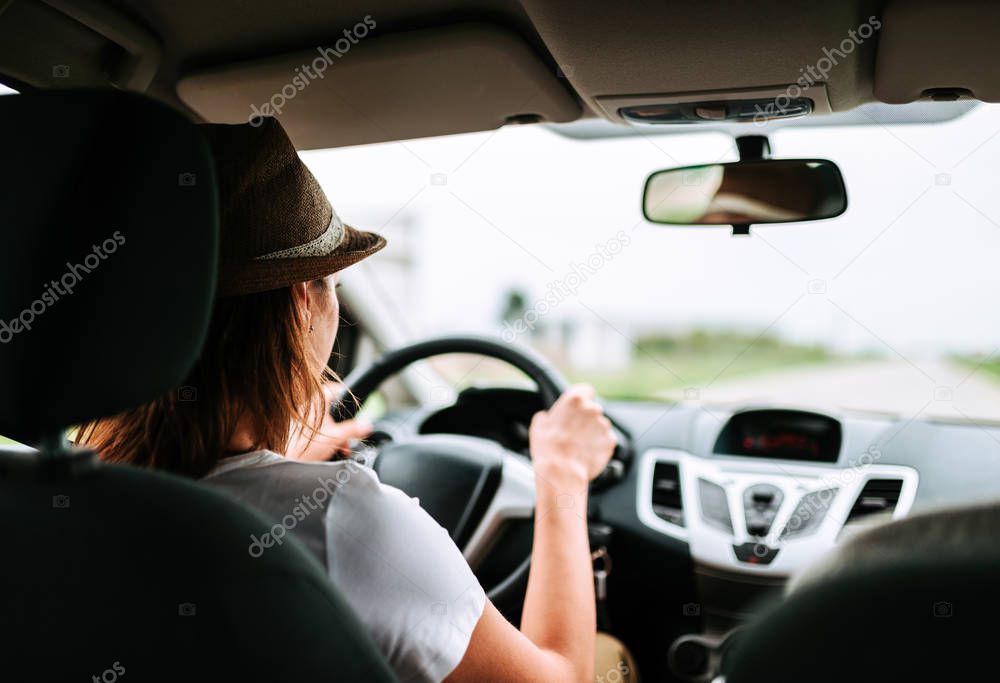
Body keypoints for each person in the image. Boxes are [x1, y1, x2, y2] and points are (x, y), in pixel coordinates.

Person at [77, 119, 638, 682]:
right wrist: (563, 474)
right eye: (334, 286)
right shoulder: (343, 519)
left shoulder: (50, 498)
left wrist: (282, 454)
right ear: (302, 302)